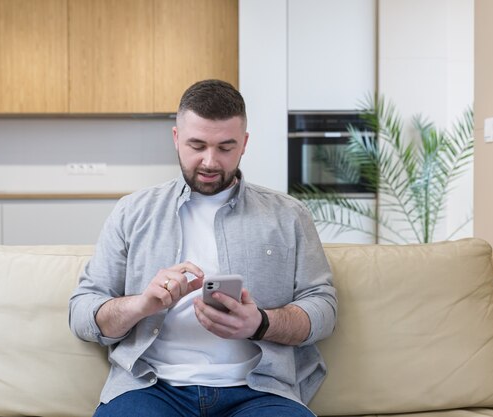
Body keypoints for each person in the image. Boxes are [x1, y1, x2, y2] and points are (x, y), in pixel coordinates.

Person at [69, 79, 337, 417]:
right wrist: (141, 304)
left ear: (245, 144)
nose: (210, 162)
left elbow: (324, 309)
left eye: (225, 147)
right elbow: (82, 312)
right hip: (152, 389)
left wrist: (260, 323)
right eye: (197, 145)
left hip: (258, 392)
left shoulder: (289, 215)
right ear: (176, 138)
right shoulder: (132, 211)